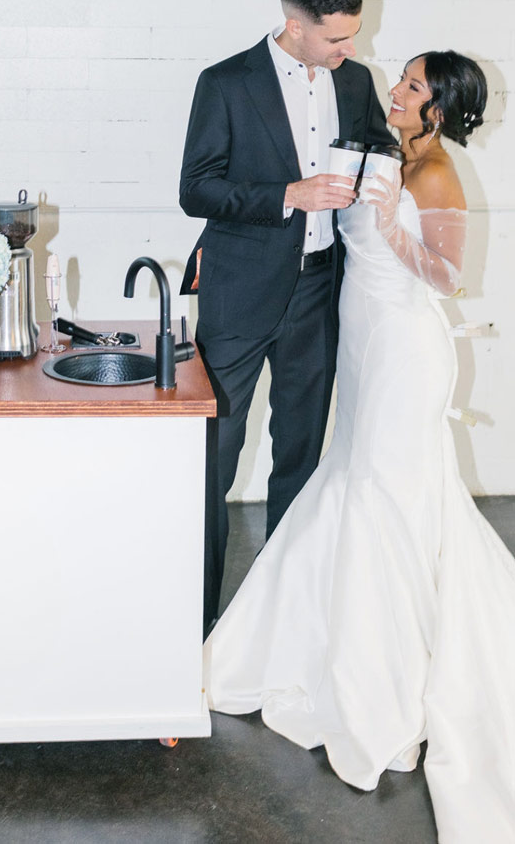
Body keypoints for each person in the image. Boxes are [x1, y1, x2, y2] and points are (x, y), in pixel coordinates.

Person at [204, 51, 515, 842]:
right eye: (403, 78)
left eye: (413, 86)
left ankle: (387, 678)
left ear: (437, 109)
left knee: (387, 492)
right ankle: (328, 634)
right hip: (363, 339)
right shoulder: (388, 144)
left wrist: (386, 226)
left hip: (407, 350)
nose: (398, 90)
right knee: (353, 480)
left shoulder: (438, 171)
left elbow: (445, 276)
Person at [179, 0, 393, 635]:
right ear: (295, 26)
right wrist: (287, 196)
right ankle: (195, 623)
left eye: (353, 36)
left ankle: (278, 624)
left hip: (319, 291)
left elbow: (380, 148)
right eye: (337, 38)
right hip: (239, 294)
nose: (350, 50)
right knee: (213, 458)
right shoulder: (224, 83)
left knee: (299, 457)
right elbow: (196, 188)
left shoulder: (356, 81)